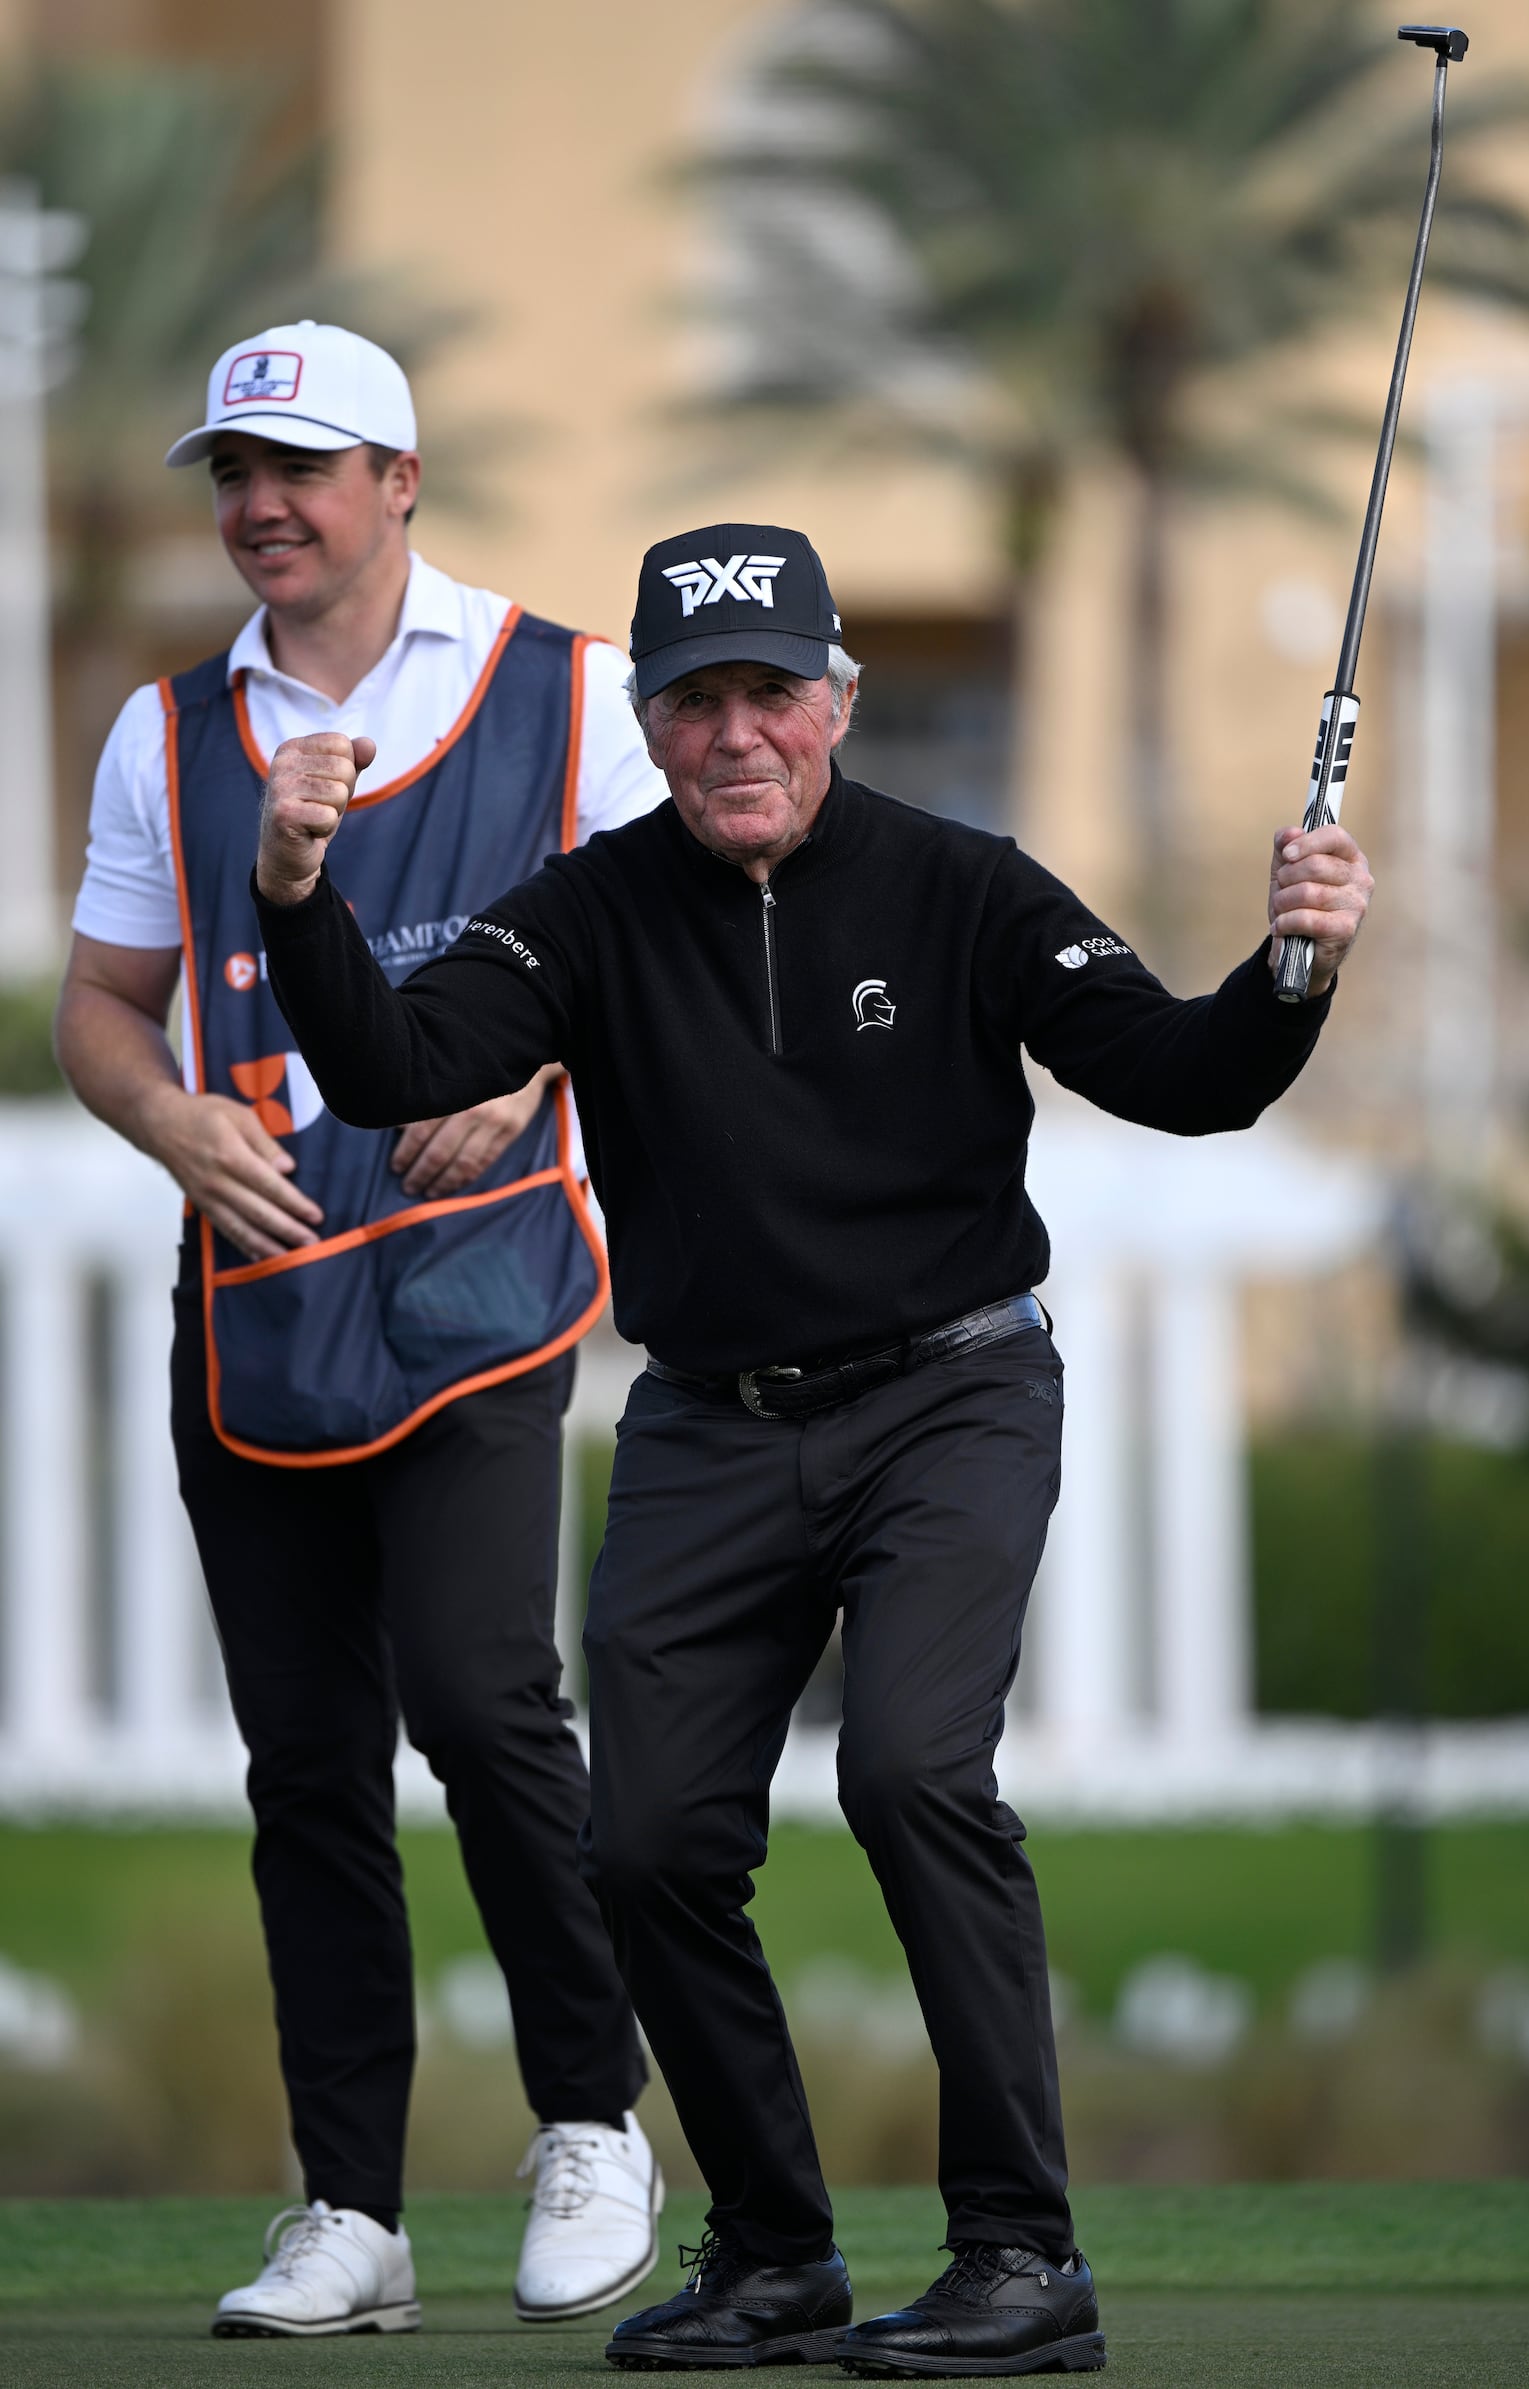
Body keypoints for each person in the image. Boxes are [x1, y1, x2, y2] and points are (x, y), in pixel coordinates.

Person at [247, 517, 1374, 2375]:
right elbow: (389, 1065)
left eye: (774, 690)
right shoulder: (585, 914)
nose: (737, 733)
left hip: (951, 1393)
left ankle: (1024, 2255)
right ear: (651, 718)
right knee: (647, 1842)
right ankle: (775, 2249)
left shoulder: (965, 887)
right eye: (697, 700)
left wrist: (1292, 970)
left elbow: (1188, 1077)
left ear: (839, 700)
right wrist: (298, 892)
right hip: (709, 1429)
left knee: (917, 1773)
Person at [54, 322, 666, 2340]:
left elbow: (672, 934)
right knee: (306, 1762)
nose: (258, 508)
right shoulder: (167, 730)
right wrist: (165, 1117)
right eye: (232, 474)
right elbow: (104, 1007)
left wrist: (552, 1047)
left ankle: (591, 2117)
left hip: (479, 1282)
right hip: (256, 1300)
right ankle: (351, 2213)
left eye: (299, 469)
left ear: (399, 480)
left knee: (488, 1708)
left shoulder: (567, 688)